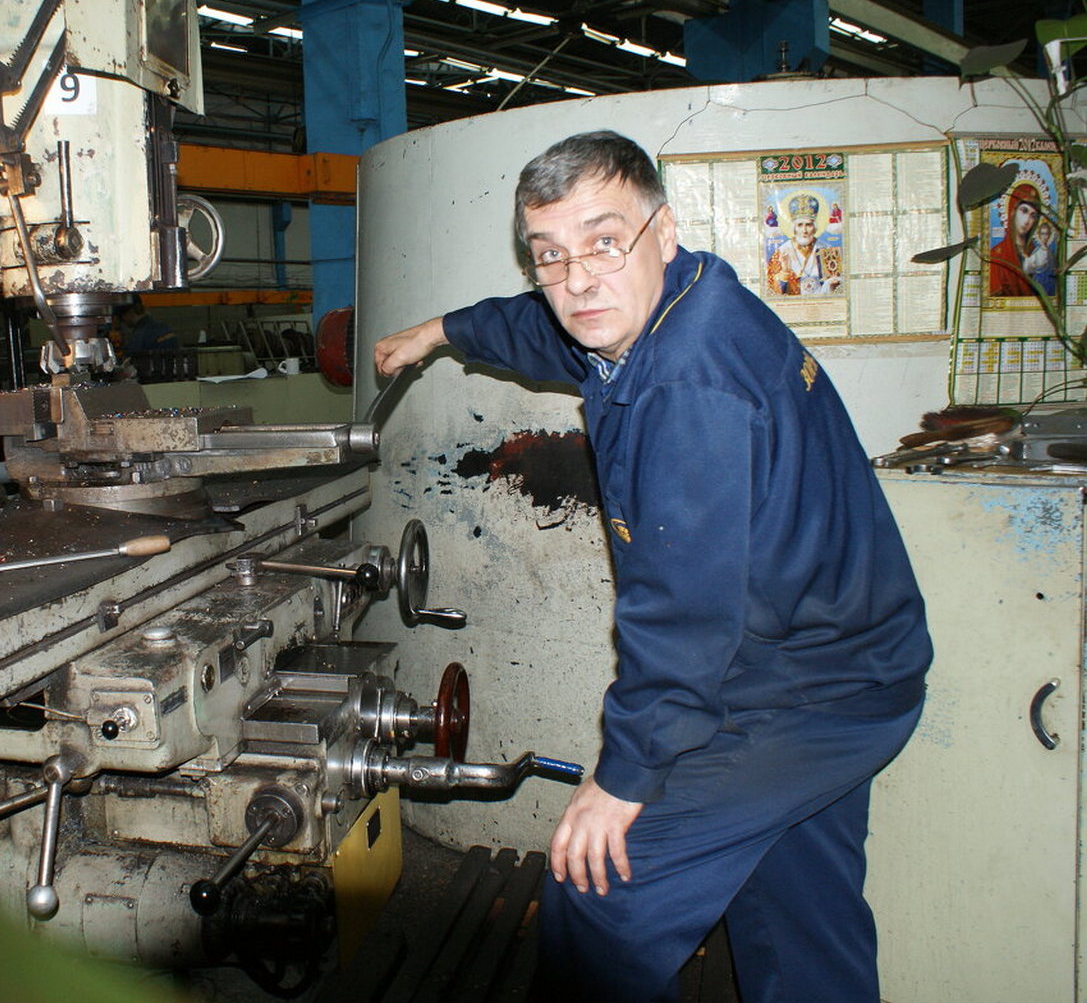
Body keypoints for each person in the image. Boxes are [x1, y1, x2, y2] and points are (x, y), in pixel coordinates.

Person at [374, 130, 931, 1002]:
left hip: (803, 692)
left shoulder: (687, 381)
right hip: (849, 661)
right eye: (548, 255)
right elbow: (541, 330)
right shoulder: (662, 303)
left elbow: (680, 614)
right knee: (798, 920)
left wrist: (622, 780)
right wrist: (439, 332)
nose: (577, 279)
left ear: (661, 231)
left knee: (600, 894)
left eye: (603, 241)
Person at [765, 192, 842, 295]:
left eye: (808, 225)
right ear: (794, 228)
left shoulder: (827, 249)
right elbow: (771, 288)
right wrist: (785, 272)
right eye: (800, 225)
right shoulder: (782, 251)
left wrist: (832, 285)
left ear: (815, 227)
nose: (804, 230)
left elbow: (838, 284)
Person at [989, 182, 1043, 297]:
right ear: (1012, 211)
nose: (1027, 220)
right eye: (1024, 211)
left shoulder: (1038, 253)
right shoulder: (997, 255)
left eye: (1033, 215)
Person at [116, 297, 180, 353]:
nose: (123, 321)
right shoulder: (165, 327)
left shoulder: (139, 337)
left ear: (130, 312)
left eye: (122, 318)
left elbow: (133, 356)